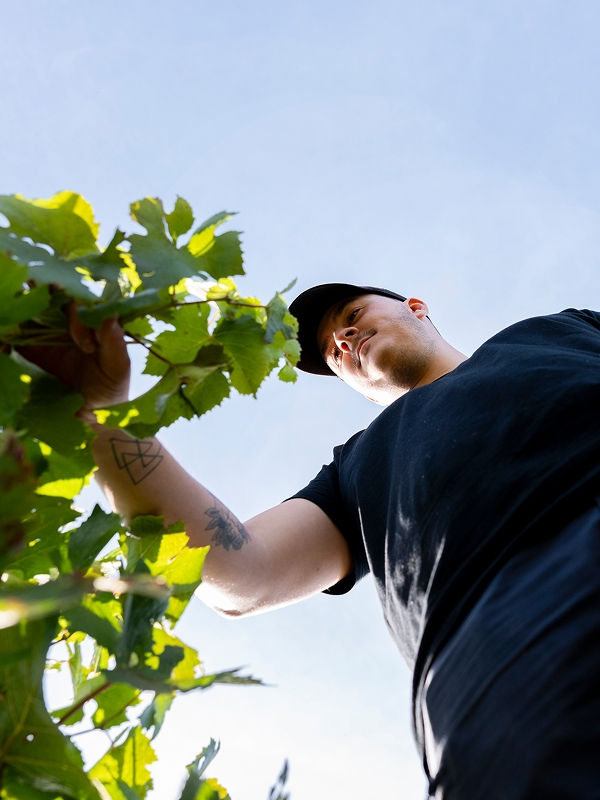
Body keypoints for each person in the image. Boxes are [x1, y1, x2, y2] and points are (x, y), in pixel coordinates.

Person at [25, 284, 600, 799]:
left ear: (417, 308)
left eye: (351, 314)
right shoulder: (355, 470)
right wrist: (92, 413)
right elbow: (241, 573)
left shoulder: (556, 331)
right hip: (499, 682)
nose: (343, 338)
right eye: (331, 350)